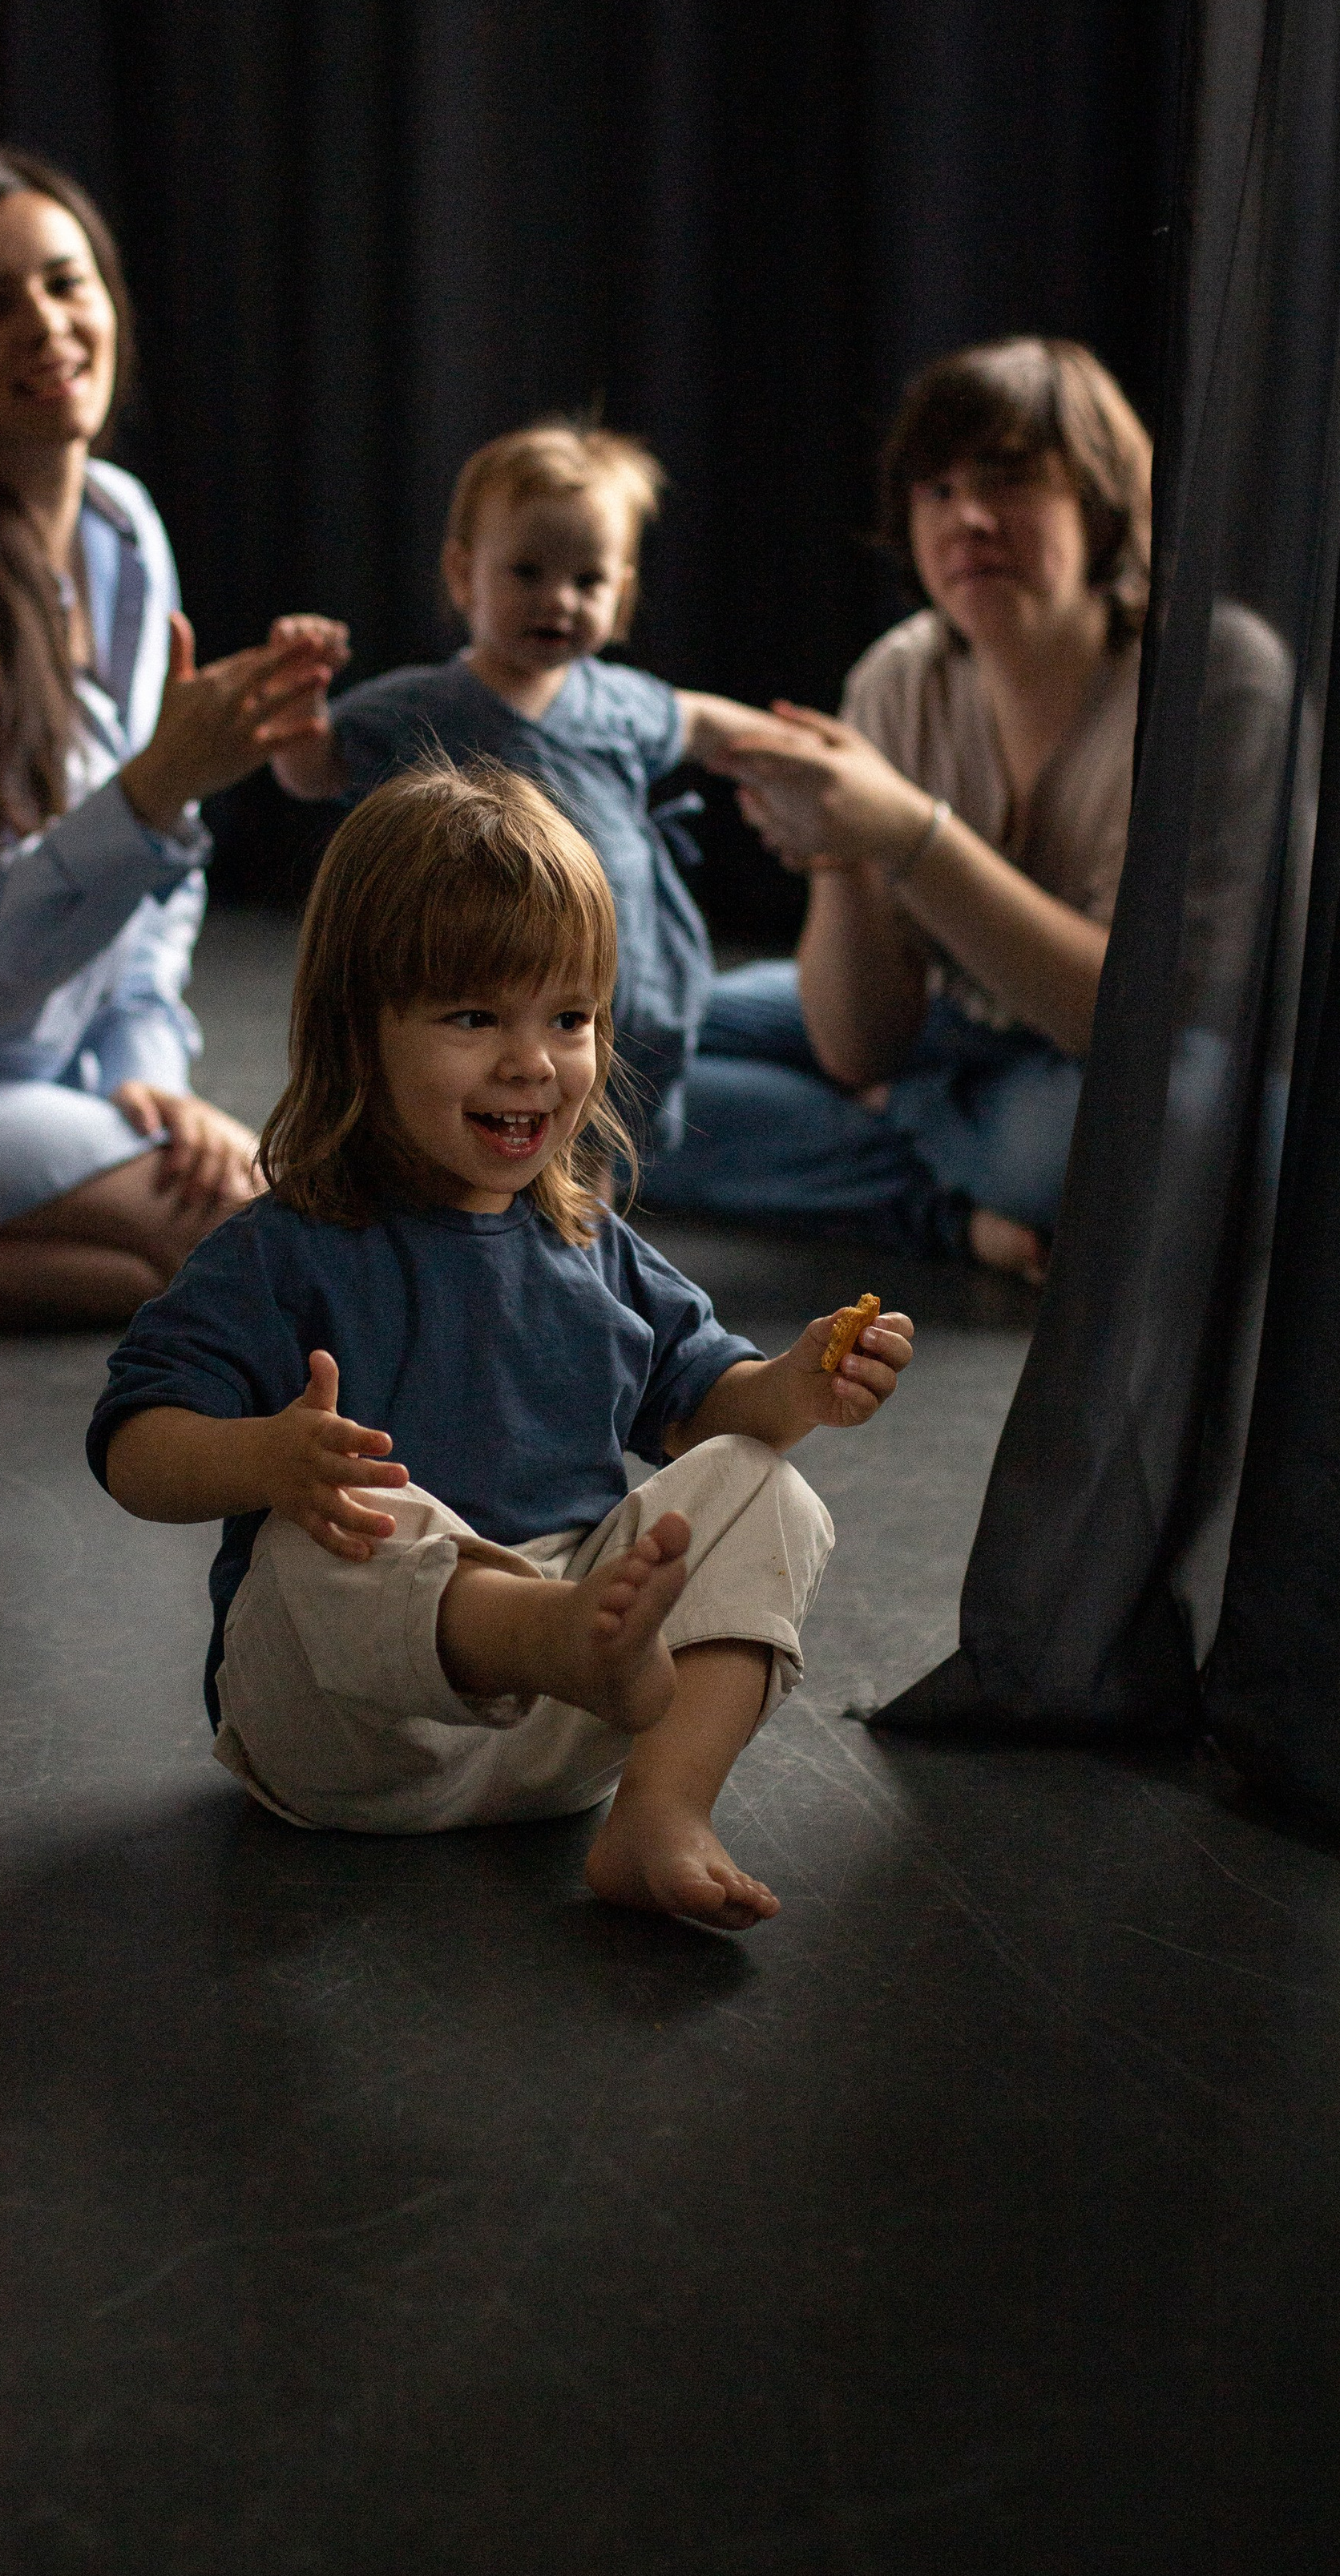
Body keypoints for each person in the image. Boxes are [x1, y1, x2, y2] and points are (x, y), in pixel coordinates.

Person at [88, 762, 915, 1930]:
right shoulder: (283, 1253)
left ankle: (660, 1810)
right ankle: (549, 1635)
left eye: (568, 1018)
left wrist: (799, 1385)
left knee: (766, 1490)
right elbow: (132, 1447)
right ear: (357, 1033)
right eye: (476, 1017)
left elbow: (712, 1411)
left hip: (566, 1732)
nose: (534, 1061)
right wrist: (267, 1462)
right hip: (344, 1737)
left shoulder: (593, 1247)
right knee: (342, 1529)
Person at [0, 146, 347, 1325]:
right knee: (259, 1239)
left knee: (138, 1274)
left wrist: (145, 1073)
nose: (45, 325)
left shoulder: (123, 529)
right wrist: (150, 797)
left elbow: (153, 905)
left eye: (64, 282)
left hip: (39, 1076)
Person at [645, 337, 1161, 1278]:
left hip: (1129, 1061)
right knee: (605, 1053)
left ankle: (917, 1137)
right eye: (935, 490)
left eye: (1008, 481)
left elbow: (1132, 1018)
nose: (966, 517)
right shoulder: (900, 676)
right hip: (949, 1028)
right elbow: (858, 1047)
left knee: (1083, 1147)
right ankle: (945, 1204)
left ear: (1097, 500)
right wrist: (840, 855)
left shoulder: (1196, 688)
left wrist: (909, 836)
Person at [268, 420, 782, 1150]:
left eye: (588, 581)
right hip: (489, 990)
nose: (559, 600)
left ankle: (586, 1239)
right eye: (527, 572)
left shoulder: (620, 700)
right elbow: (315, 775)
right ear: (462, 574)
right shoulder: (421, 704)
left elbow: (697, 720)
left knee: (603, 1145)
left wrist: (786, 749)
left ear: (623, 596)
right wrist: (297, 715)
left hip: (626, 986)